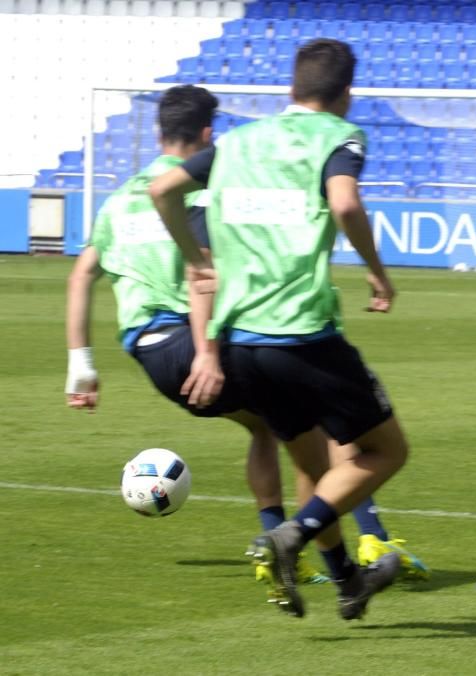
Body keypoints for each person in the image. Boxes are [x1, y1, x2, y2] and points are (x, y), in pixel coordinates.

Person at [64, 85, 425, 609]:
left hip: (146, 348)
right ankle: (350, 541)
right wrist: (208, 347)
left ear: (159, 129)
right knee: (332, 429)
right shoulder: (207, 187)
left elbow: (80, 276)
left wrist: (81, 365)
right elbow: (203, 276)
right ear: (208, 133)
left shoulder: (120, 198)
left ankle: (325, 568)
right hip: (199, 337)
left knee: (276, 427)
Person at [149, 39, 410, 620]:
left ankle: (347, 582)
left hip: (240, 344)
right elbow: (344, 204)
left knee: (316, 464)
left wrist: (195, 256)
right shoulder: (339, 137)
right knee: (387, 451)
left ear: (291, 89)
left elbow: (162, 190)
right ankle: (292, 534)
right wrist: (377, 273)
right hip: (304, 335)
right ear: (346, 94)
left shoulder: (237, 142)